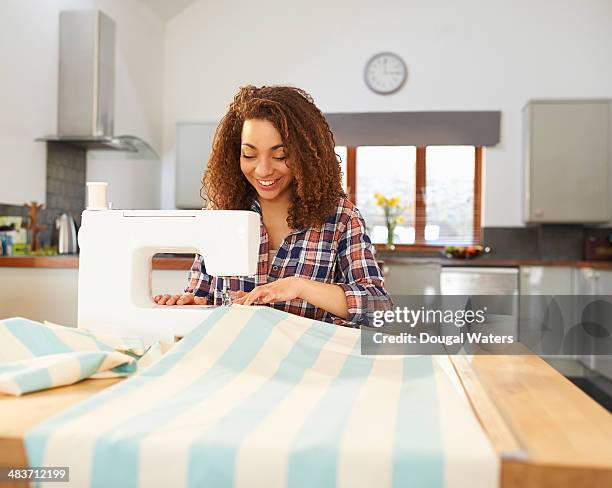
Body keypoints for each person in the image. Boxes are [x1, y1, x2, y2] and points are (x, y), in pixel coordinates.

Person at [154, 85, 391, 327]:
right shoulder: (220, 213)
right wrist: (192, 305)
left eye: (280, 156)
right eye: (249, 155)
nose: (263, 170)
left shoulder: (340, 218)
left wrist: (299, 286)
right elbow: (201, 294)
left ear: (305, 156)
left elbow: (379, 308)